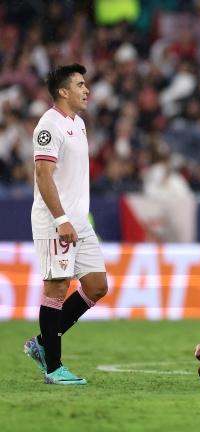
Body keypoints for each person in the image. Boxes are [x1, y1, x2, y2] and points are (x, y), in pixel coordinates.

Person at [23, 64, 109, 385]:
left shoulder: (79, 124)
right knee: (57, 288)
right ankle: (53, 368)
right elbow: (43, 175)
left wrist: (74, 219)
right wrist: (61, 219)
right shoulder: (49, 126)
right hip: (55, 221)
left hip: (79, 222)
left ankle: (42, 343)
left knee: (97, 286)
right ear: (63, 91)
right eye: (80, 85)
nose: (87, 90)